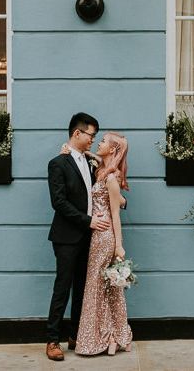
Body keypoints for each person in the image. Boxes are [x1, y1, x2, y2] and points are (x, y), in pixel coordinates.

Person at [45, 112, 111, 362]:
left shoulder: (90, 161)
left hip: (89, 237)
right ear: (77, 133)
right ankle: (52, 339)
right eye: (91, 135)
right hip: (66, 236)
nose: (93, 140)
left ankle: (75, 335)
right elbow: (58, 202)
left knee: (83, 287)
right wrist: (89, 221)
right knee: (62, 287)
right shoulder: (57, 164)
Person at [73, 132, 133, 356]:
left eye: (103, 141)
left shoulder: (111, 178)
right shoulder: (102, 171)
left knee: (99, 288)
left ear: (113, 150)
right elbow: (96, 157)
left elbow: (116, 215)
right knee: (103, 288)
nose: (99, 143)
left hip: (105, 237)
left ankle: (109, 335)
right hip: (96, 236)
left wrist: (119, 246)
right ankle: (113, 335)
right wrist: (74, 151)